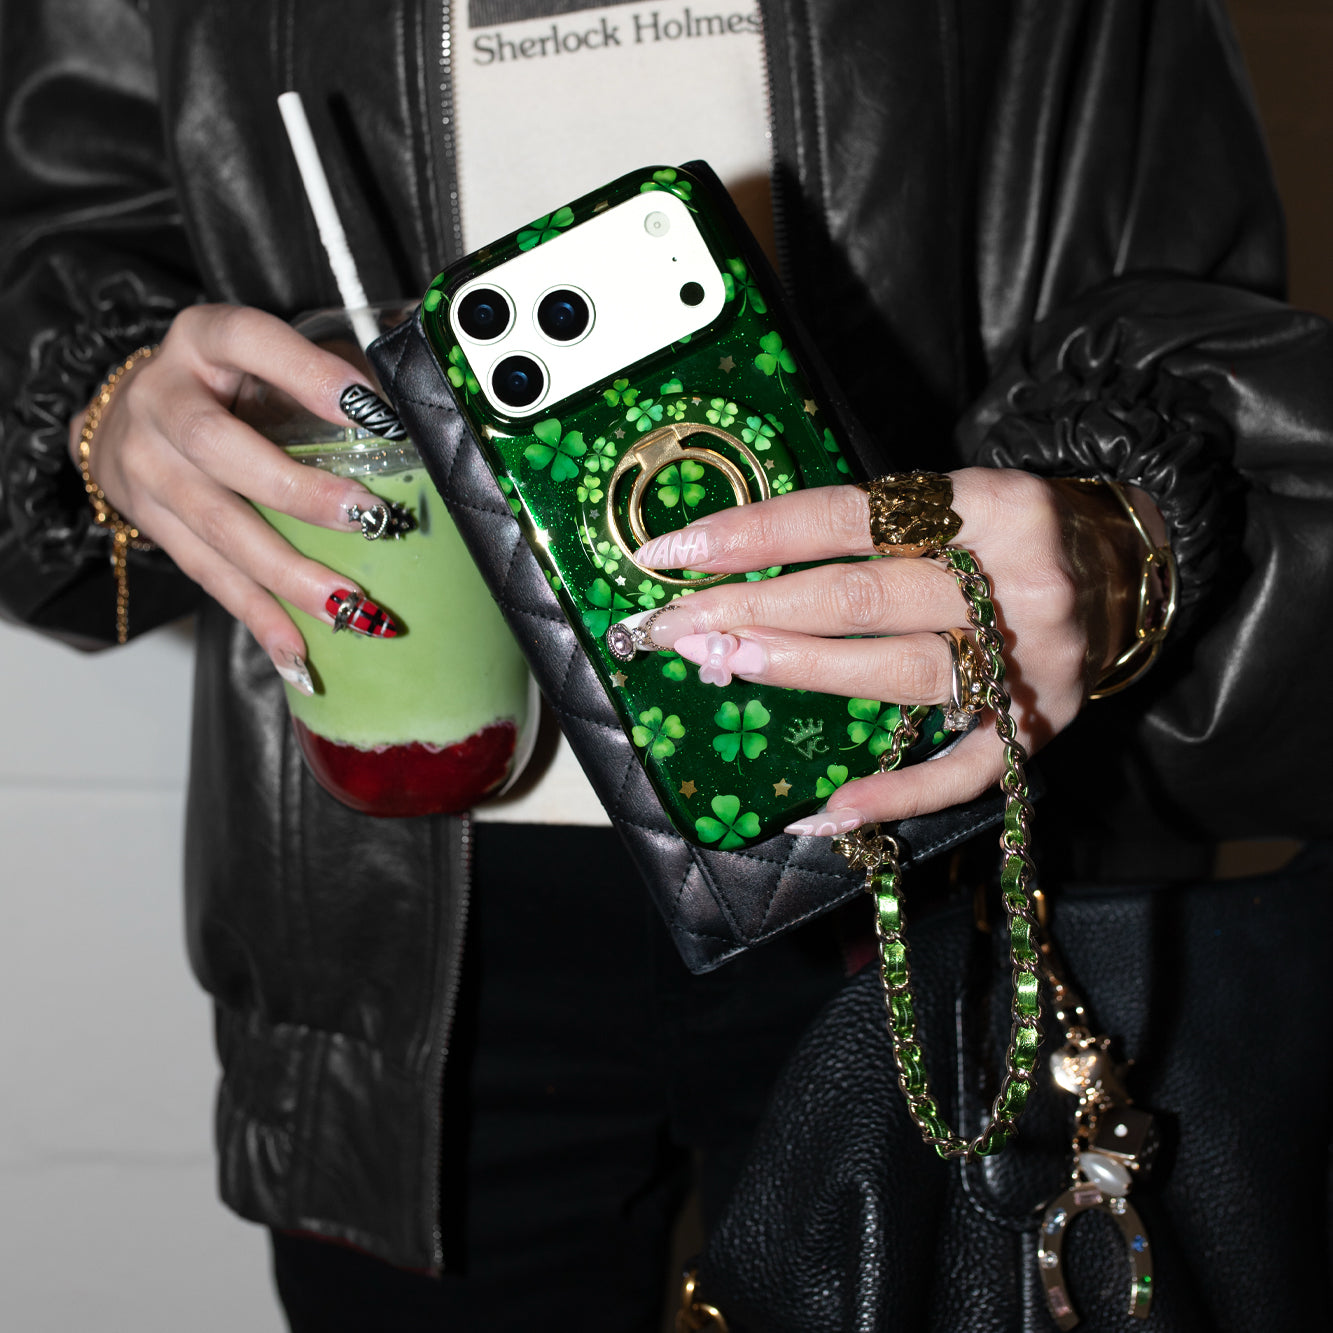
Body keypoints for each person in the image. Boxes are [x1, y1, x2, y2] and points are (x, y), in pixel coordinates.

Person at [1, 1, 1329, 1329]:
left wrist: (1112, 529)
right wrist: (105, 405)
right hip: (405, 936)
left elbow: (1182, 284)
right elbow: (50, 240)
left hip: (929, 870)